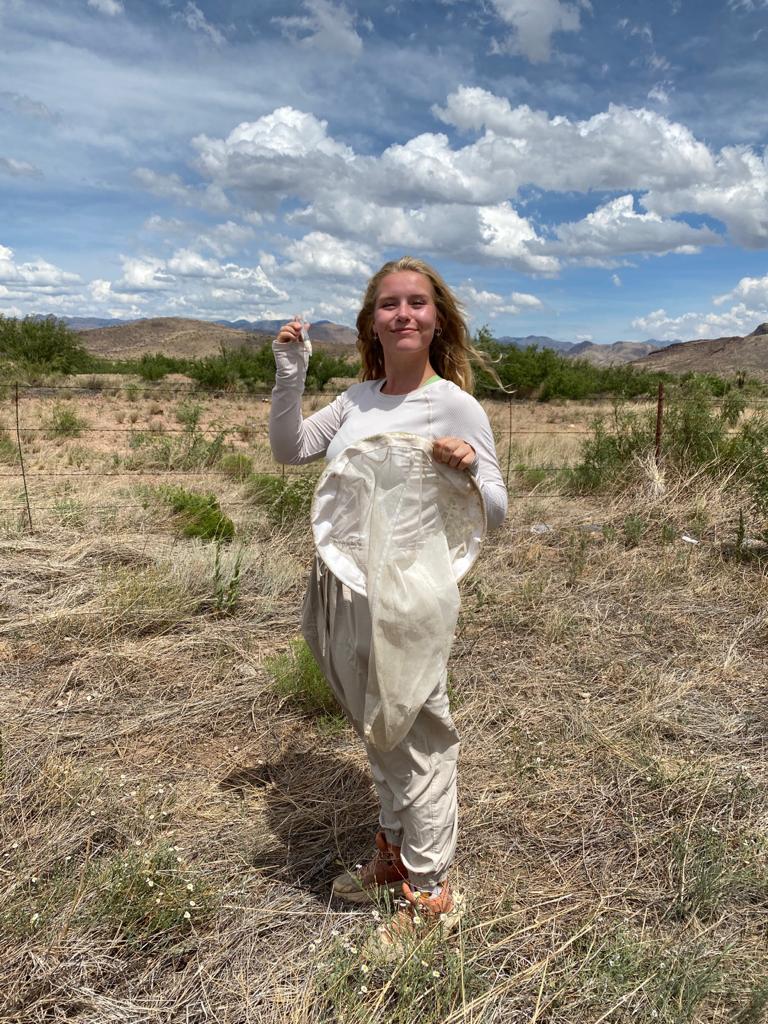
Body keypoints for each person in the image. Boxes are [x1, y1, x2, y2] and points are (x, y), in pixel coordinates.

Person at [269, 256, 507, 951]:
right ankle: (395, 851)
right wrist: (292, 371)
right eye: (388, 304)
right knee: (378, 726)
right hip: (339, 588)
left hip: (409, 595)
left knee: (421, 735)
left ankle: (431, 893)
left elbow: (496, 510)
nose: (404, 314)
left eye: (417, 303)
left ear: (438, 320)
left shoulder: (456, 405)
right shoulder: (356, 399)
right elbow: (289, 450)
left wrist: (468, 469)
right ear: (372, 320)